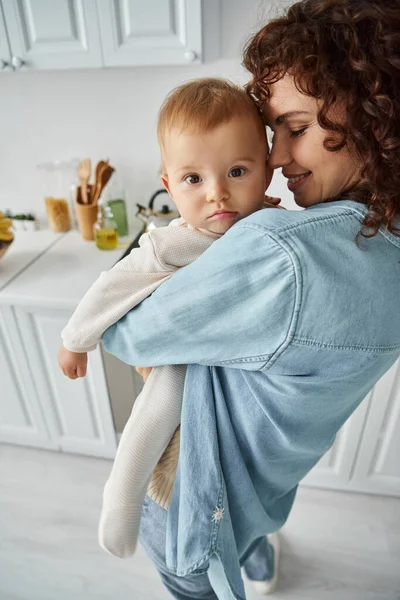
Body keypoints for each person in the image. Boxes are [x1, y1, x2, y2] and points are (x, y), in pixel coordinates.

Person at [102, 0, 400, 598]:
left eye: (295, 128)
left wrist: (158, 252)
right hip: (271, 479)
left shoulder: (279, 252)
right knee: (252, 524)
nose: (279, 158)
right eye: (273, 136)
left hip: (193, 501)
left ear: (373, 113)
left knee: (192, 575)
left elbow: (125, 333)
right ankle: (260, 558)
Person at [58, 78, 276, 559]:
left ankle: (256, 544)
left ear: (267, 169)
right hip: (183, 361)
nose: (218, 194)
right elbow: (111, 287)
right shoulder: (172, 243)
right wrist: (77, 339)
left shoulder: (269, 228)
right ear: (169, 186)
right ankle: (122, 494)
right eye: (193, 179)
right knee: (162, 397)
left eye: (237, 171)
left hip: (245, 373)